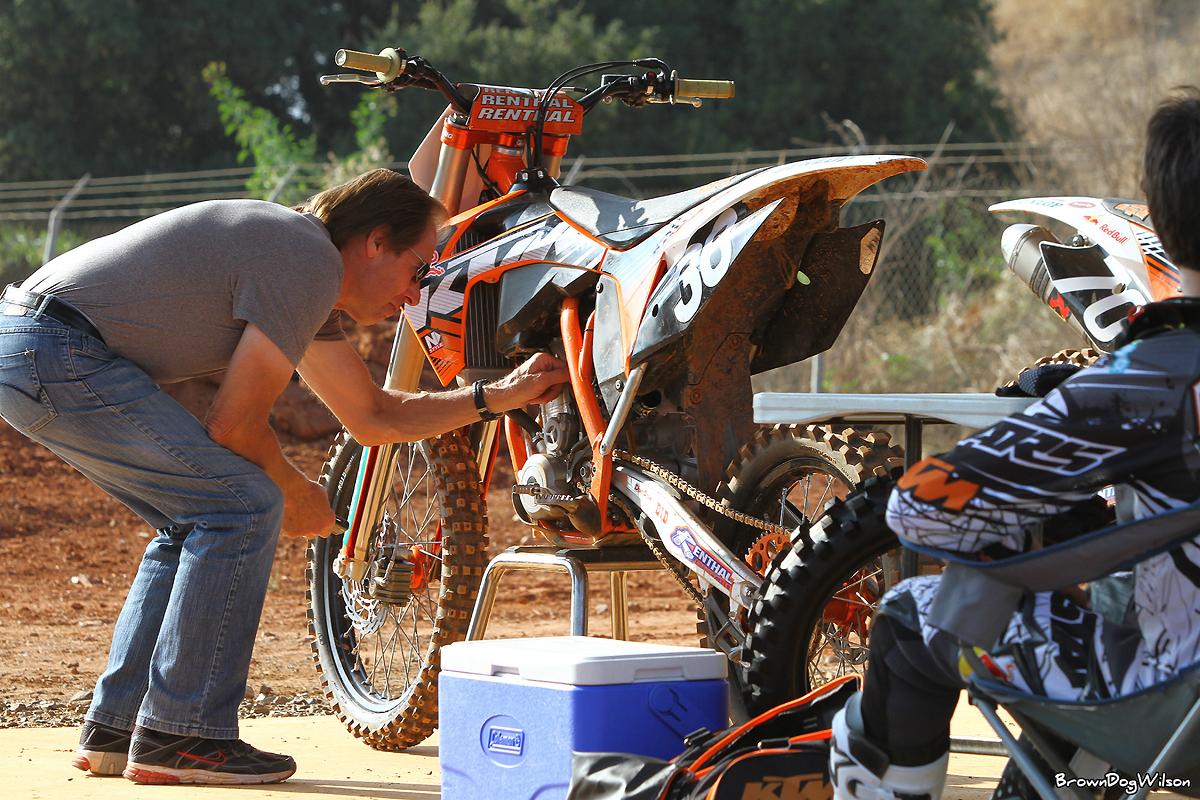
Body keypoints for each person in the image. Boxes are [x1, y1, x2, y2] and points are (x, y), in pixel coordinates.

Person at [0, 168, 569, 785]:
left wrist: (499, 397)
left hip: (32, 347)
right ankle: (182, 736)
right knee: (241, 507)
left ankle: (121, 727)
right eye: (416, 269)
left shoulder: (299, 267)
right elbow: (232, 424)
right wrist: (293, 492)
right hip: (55, 350)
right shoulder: (307, 259)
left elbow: (373, 416)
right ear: (375, 242)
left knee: (193, 518)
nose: (414, 295)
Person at [829, 88, 1200, 800]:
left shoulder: (1151, 376)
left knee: (910, 618)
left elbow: (922, 511)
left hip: (1171, 709)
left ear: (1163, 221)